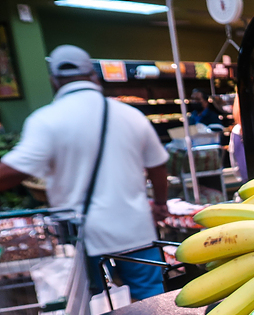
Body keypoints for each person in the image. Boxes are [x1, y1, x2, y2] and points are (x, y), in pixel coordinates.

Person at [0, 45, 169, 301]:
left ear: (54, 81)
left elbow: (11, 172)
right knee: (154, 300)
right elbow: (158, 167)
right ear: (93, 75)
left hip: (85, 235)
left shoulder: (46, 120)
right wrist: (159, 203)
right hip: (136, 230)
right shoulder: (131, 115)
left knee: (97, 308)